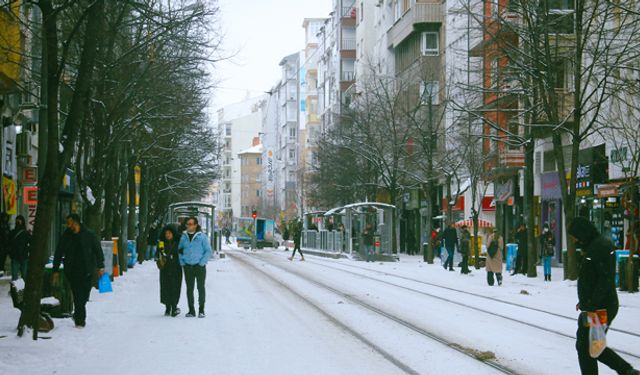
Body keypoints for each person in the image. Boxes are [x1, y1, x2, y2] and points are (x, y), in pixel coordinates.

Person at [568, 217, 639, 375]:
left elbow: (604, 281)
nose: (574, 241)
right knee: (590, 345)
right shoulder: (594, 245)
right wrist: (584, 301)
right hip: (596, 306)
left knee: (589, 346)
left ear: (582, 233)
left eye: (575, 237)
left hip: (600, 308)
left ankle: (627, 371)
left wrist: (591, 304)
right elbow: (593, 278)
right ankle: (627, 371)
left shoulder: (599, 247)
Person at [52, 214, 105, 328]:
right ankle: (80, 321)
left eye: (69, 223)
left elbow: (97, 250)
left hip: (87, 270)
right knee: (77, 296)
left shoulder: (88, 235)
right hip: (72, 271)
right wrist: (55, 269)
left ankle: (77, 314)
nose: (68, 225)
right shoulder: (66, 235)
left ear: (76, 222)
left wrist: (100, 266)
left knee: (84, 296)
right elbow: (59, 251)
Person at [178, 216, 212, 318]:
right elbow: (179, 250)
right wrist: (182, 262)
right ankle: (191, 310)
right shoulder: (183, 237)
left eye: (190, 224)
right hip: (188, 266)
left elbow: (208, 251)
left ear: (195, 225)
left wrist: (202, 263)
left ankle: (201, 310)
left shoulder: (202, 236)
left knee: (200, 288)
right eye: (187, 224)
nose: (188, 226)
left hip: (199, 267)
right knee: (189, 289)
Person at [158, 224, 182, 317]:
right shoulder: (161, 242)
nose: (167, 235)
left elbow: (182, 252)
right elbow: (159, 252)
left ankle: (174, 306)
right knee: (165, 286)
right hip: (165, 268)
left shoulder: (178, 242)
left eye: (169, 233)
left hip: (176, 267)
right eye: (166, 233)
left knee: (175, 286)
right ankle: (168, 307)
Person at [9, 215, 31, 281]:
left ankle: (18, 289)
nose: (18, 221)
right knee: (17, 275)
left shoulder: (24, 233)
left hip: (21, 256)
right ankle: (17, 289)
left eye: (19, 220)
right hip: (19, 256)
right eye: (17, 220)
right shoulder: (25, 232)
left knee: (19, 275)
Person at [0, 212, 10, 277]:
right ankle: (1, 270)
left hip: (5, 245)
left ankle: (1, 269)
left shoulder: (6, 225)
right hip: (2, 244)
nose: (6, 218)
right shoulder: (4, 225)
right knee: (2, 258)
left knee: (3, 258)